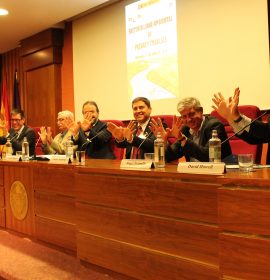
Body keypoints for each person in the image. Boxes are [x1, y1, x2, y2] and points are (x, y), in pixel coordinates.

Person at [151, 97, 232, 162]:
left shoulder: (214, 126)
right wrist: (163, 142)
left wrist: (182, 139)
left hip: (220, 174)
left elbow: (208, 157)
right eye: (184, 116)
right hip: (194, 173)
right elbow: (171, 157)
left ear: (201, 111)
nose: (188, 119)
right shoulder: (186, 129)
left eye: (192, 114)